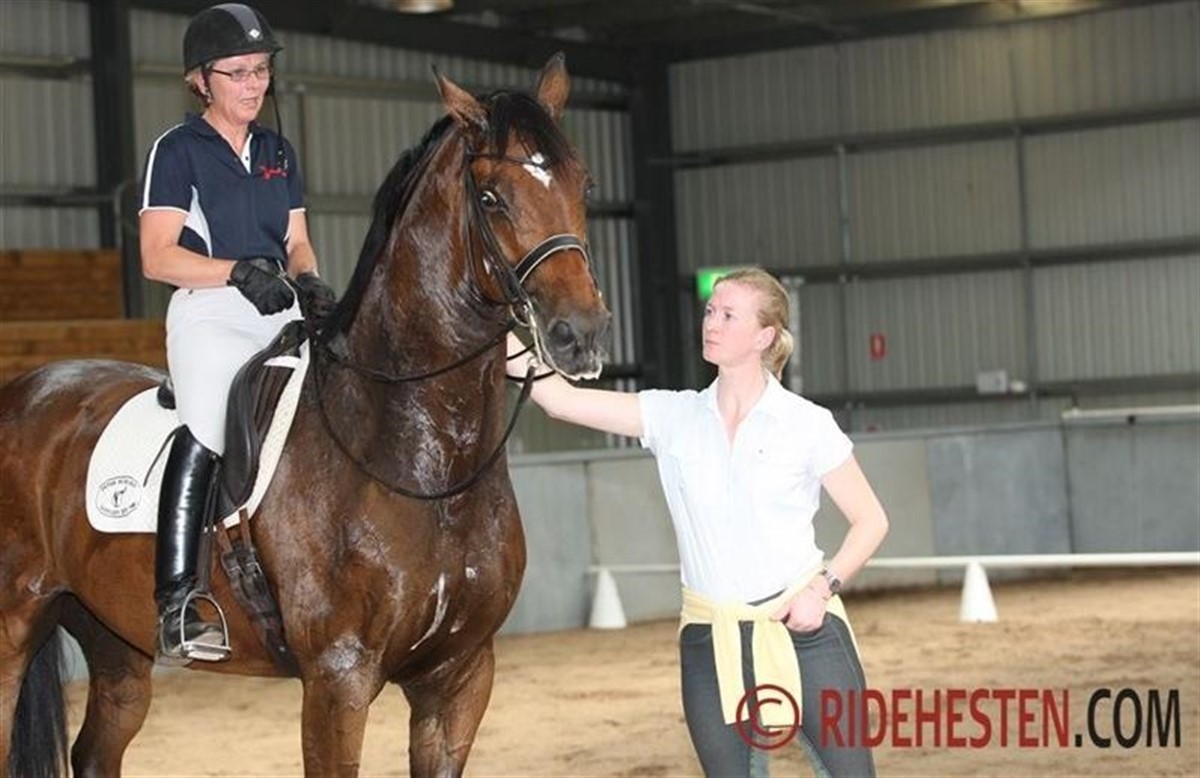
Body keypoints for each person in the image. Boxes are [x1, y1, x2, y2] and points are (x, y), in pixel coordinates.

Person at [507, 268, 888, 776]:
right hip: (710, 641)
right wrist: (498, 332)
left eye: (729, 315)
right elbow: (561, 400)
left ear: (764, 336)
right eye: (711, 311)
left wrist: (821, 590)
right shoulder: (673, 416)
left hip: (807, 634)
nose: (711, 322)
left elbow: (870, 520)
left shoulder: (807, 424)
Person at [139, 2, 336, 663]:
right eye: (239, 73)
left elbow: (296, 241)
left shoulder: (277, 150)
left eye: (261, 71)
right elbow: (157, 256)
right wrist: (236, 273)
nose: (254, 85)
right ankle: (178, 599)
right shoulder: (176, 151)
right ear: (201, 79)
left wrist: (309, 280)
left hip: (277, 305)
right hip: (209, 308)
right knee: (210, 418)